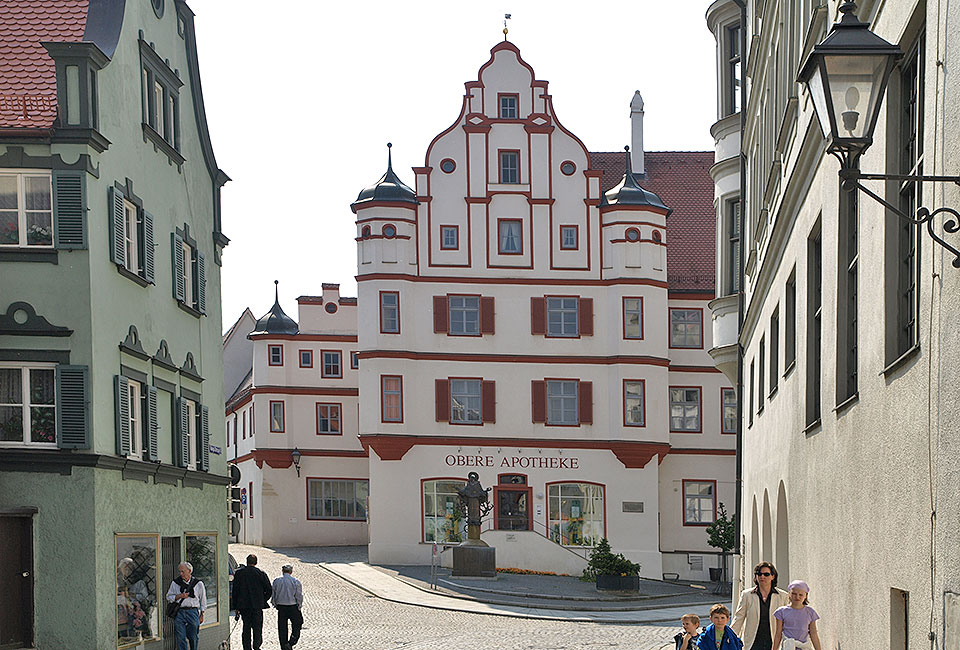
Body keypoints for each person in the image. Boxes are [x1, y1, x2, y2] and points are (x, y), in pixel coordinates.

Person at [731, 562, 790, 650]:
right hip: (753, 642)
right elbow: (739, 618)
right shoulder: (747, 595)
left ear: (773, 576)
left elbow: (788, 621)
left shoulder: (783, 596)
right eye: (759, 574)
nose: (762, 577)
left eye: (766, 574)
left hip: (774, 642)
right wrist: (730, 637)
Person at [232, 554, 272, 650]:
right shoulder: (261, 573)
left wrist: (236, 606)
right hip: (257, 606)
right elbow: (269, 590)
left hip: (244, 606)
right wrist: (262, 599)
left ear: (247, 562)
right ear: (256, 562)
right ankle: (256, 646)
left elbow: (235, 591)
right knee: (257, 628)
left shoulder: (239, 574)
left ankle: (247, 647)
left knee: (246, 628)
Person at [165, 561, 206, 650]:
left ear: (189, 571)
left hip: (193, 611)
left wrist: (202, 614)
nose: (181, 574)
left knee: (193, 636)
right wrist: (180, 596)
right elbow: (168, 597)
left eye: (183, 571)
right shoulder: (175, 583)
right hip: (179, 611)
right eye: (180, 571)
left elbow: (203, 599)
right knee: (180, 637)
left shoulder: (198, 584)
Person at [772, 581, 821, 650]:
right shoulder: (781, 612)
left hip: (804, 647)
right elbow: (778, 634)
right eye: (794, 594)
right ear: (789, 594)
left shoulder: (810, 612)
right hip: (788, 647)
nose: (797, 597)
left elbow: (813, 634)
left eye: (800, 595)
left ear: (806, 596)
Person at [272, 564, 304, 650]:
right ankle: (292, 641)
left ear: (282, 571)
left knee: (282, 627)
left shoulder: (277, 581)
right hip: (293, 606)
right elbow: (299, 595)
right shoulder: (295, 581)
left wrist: (275, 604)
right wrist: (299, 606)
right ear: (291, 572)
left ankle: (284, 644)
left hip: (281, 607)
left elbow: (274, 594)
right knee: (298, 623)